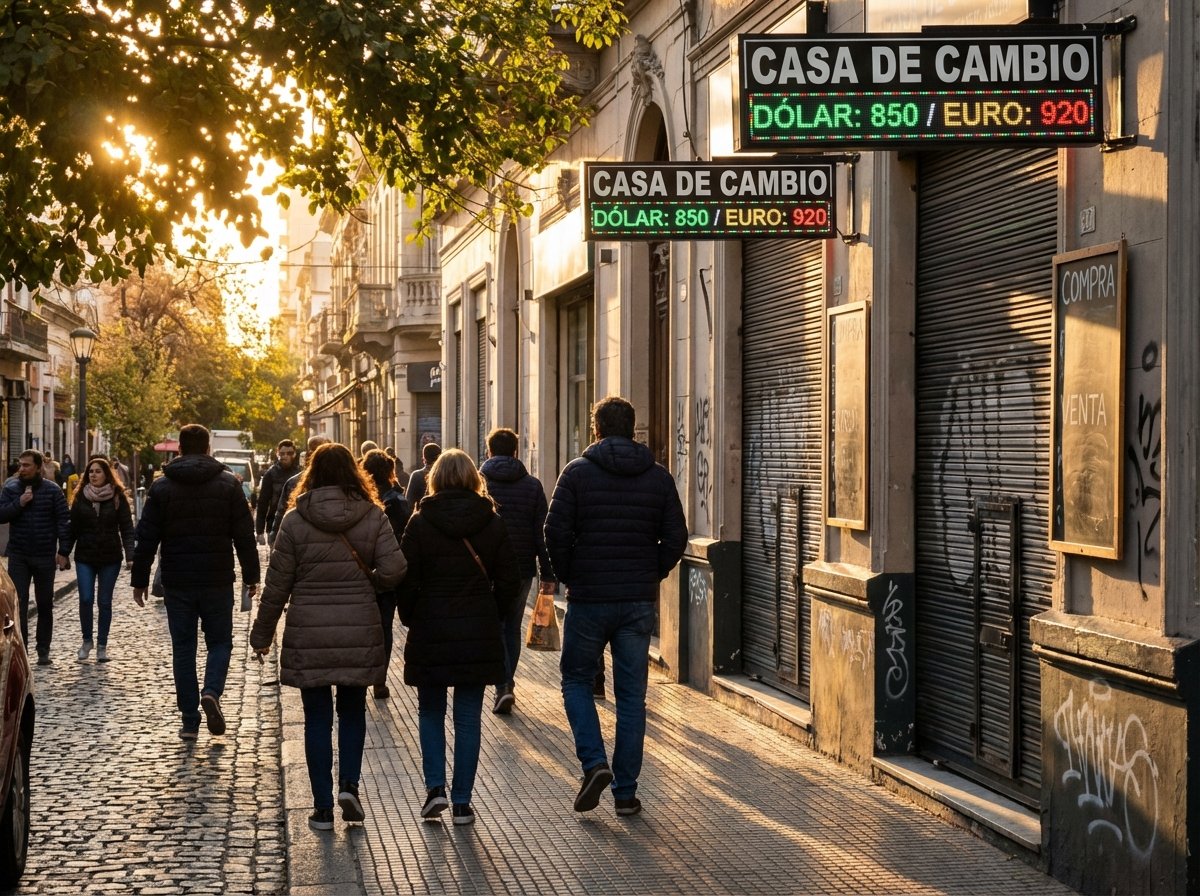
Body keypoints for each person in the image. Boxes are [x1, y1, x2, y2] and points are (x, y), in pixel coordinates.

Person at [251, 443, 406, 831]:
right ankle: (349, 786)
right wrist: (370, 581)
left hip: (309, 631)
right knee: (352, 710)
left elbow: (277, 586)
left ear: (312, 474)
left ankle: (321, 807)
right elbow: (396, 567)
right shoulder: (372, 515)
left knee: (316, 717)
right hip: (359, 627)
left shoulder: (295, 520)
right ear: (354, 473)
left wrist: (262, 634)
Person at [544, 396, 688, 817]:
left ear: (597, 430)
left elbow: (554, 533)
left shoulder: (576, 473)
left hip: (589, 600)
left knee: (575, 680)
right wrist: (650, 574)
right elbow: (676, 537)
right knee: (631, 699)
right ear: (633, 428)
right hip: (636, 602)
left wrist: (573, 576)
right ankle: (625, 793)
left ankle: (593, 764)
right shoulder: (658, 477)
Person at [397, 448, 519, 826]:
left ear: (435, 479)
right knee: (467, 717)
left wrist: (411, 615)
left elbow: (406, 577)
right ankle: (462, 801)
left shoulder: (420, 522)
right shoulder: (492, 521)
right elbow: (511, 581)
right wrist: (491, 613)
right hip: (476, 631)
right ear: (472, 478)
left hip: (431, 628)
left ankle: (435, 789)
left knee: (431, 711)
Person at [131, 424, 261, 741]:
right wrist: (252, 576)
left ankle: (190, 720)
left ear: (180, 449)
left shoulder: (162, 488)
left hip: (178, 580)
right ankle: (212, 691)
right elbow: (244, 535)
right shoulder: (229, 485)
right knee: (220, 642)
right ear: (207, 449)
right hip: (217, 577)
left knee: (183, 648)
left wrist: (140, 579)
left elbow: (146, 536)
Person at [478, 427, 555, 715]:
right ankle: (507, 683)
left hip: (486, 567)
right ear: (515, 452)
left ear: (488, 451)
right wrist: (548, 574)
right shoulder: (532, 486)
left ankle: (503, 684)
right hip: (522, 568)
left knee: (494, 624)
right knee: (512, 625)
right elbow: (541, 533)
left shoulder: (479, 482)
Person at [0, 450, 71, 665]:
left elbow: (63, 522)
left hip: (43, 554)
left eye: (27, 465)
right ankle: (21, 650)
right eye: (20, 465)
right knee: (17, 604)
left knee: (44, 603)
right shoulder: (11, 488)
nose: (21, 469)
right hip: (19, 554)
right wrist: (20, 503)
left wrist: (64, 552)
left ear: (39, 467)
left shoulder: (53, 491)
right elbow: (1, 514)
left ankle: (43, 649)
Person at [66, 458, 135, 663]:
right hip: (85, 556)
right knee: (86, 598)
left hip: (110, 556)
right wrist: (63, 552)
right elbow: (72, 529)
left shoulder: (117, 497)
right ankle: (87, 641)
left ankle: (102, 645)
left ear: (107, 474)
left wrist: (131, 555)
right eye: (90, 472)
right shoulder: (81, 497)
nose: (93, 475)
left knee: (104, 601)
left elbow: (127, 528)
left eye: (98, 472)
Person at [361, 449, 410, 700]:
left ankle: (359, 675)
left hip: (360, 574)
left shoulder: (360, 500)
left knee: (360, 627)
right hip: (388, 576)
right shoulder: (399, 501)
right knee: (384, 628)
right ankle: (379, 679)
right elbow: (405, 540)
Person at [269, 435, 330, 543]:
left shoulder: (295, 482)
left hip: (303, 541)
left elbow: (282, 514)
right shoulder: (346, 482)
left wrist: (275, 538)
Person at [256, 439, 300, 547]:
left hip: (296, 525)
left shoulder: (300, 473)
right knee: (276, 558)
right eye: (282, 453)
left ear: (294, 454)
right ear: (277, 453)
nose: (285, 456)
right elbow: (263, 502)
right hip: (274, 525)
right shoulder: (270, 474)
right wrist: (259, 531)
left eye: (289, 453)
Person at [405, 442, 440, 509]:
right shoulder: (445, 475)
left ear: (424, 459)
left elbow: (409, 503)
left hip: (423, 516)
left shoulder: (417, 475)